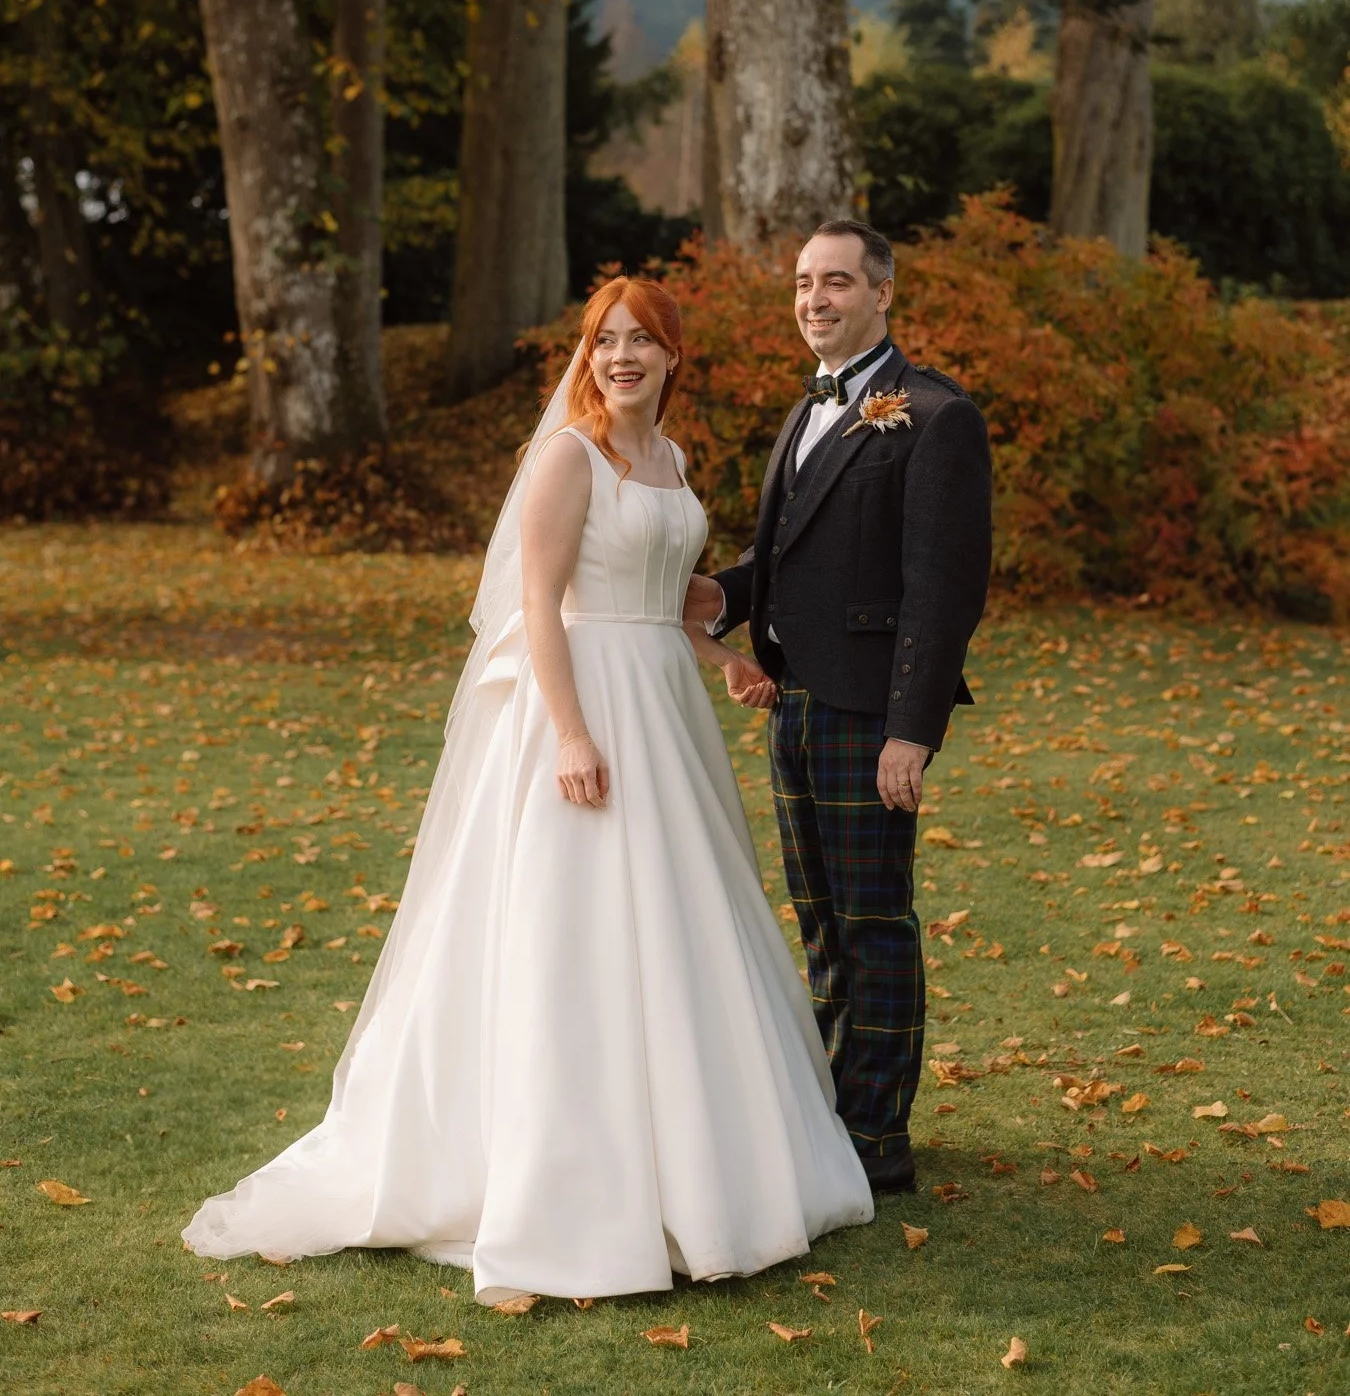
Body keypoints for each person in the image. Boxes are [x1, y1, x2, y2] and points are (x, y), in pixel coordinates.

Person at [182, 275, 872, 1301]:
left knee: (679, 928)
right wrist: (569, 734)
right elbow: (542, 606)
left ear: (674, 358)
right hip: (583, 709)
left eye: (642, 342)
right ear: (587, 358)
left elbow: (645, 602)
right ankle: (564, 1179)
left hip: (664, 715)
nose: (622, 358)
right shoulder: (566, 457)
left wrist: (717, 656)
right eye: (606, 342)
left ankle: (704, 1166)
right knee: (574, 932)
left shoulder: (670, 459)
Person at [685, 219, 992, 1195]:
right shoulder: (806, 410)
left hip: (869, 713)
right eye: (804, 283)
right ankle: (831, 1115)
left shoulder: (938, 417)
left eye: (837, 282)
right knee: (819, 919)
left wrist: (913, 727)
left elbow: (943, 586)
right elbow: (792, 560)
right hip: (795, 707)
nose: (815, 299)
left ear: (882, 294)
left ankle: (875, 1140)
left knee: (874, 922)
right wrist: (723, 601)